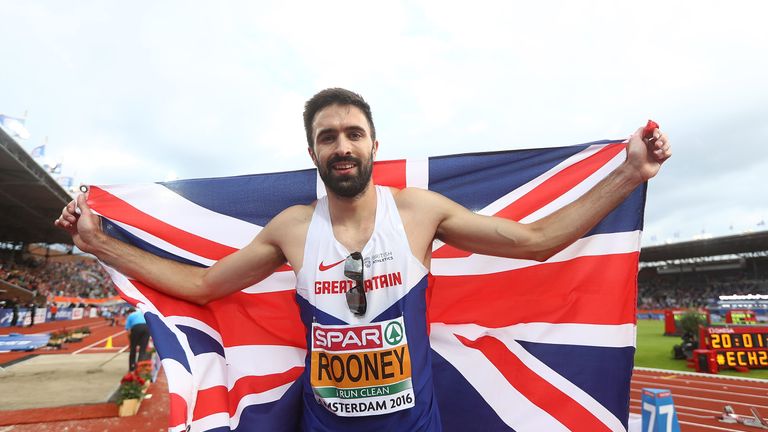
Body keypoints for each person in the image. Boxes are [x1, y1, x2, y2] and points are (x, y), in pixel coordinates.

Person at [55, 88, 671, 430]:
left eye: (353, 134)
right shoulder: (292, 230)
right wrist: (100, 241)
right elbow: (203, 285)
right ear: (313, 153)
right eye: (328, 137)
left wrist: (629, 175)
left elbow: (534, 241)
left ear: (375, 144)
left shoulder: (420, 214)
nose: (342, 145)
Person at [125, 307, 150, 371]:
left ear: (129, 312)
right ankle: (139, 368)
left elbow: (128, 331)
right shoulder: (142, 313)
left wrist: (131, 343)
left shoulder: (130, 315)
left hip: (136, 328)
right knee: (143, 350)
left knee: (133, 349)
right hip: (146, 328)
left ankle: (132, 368)